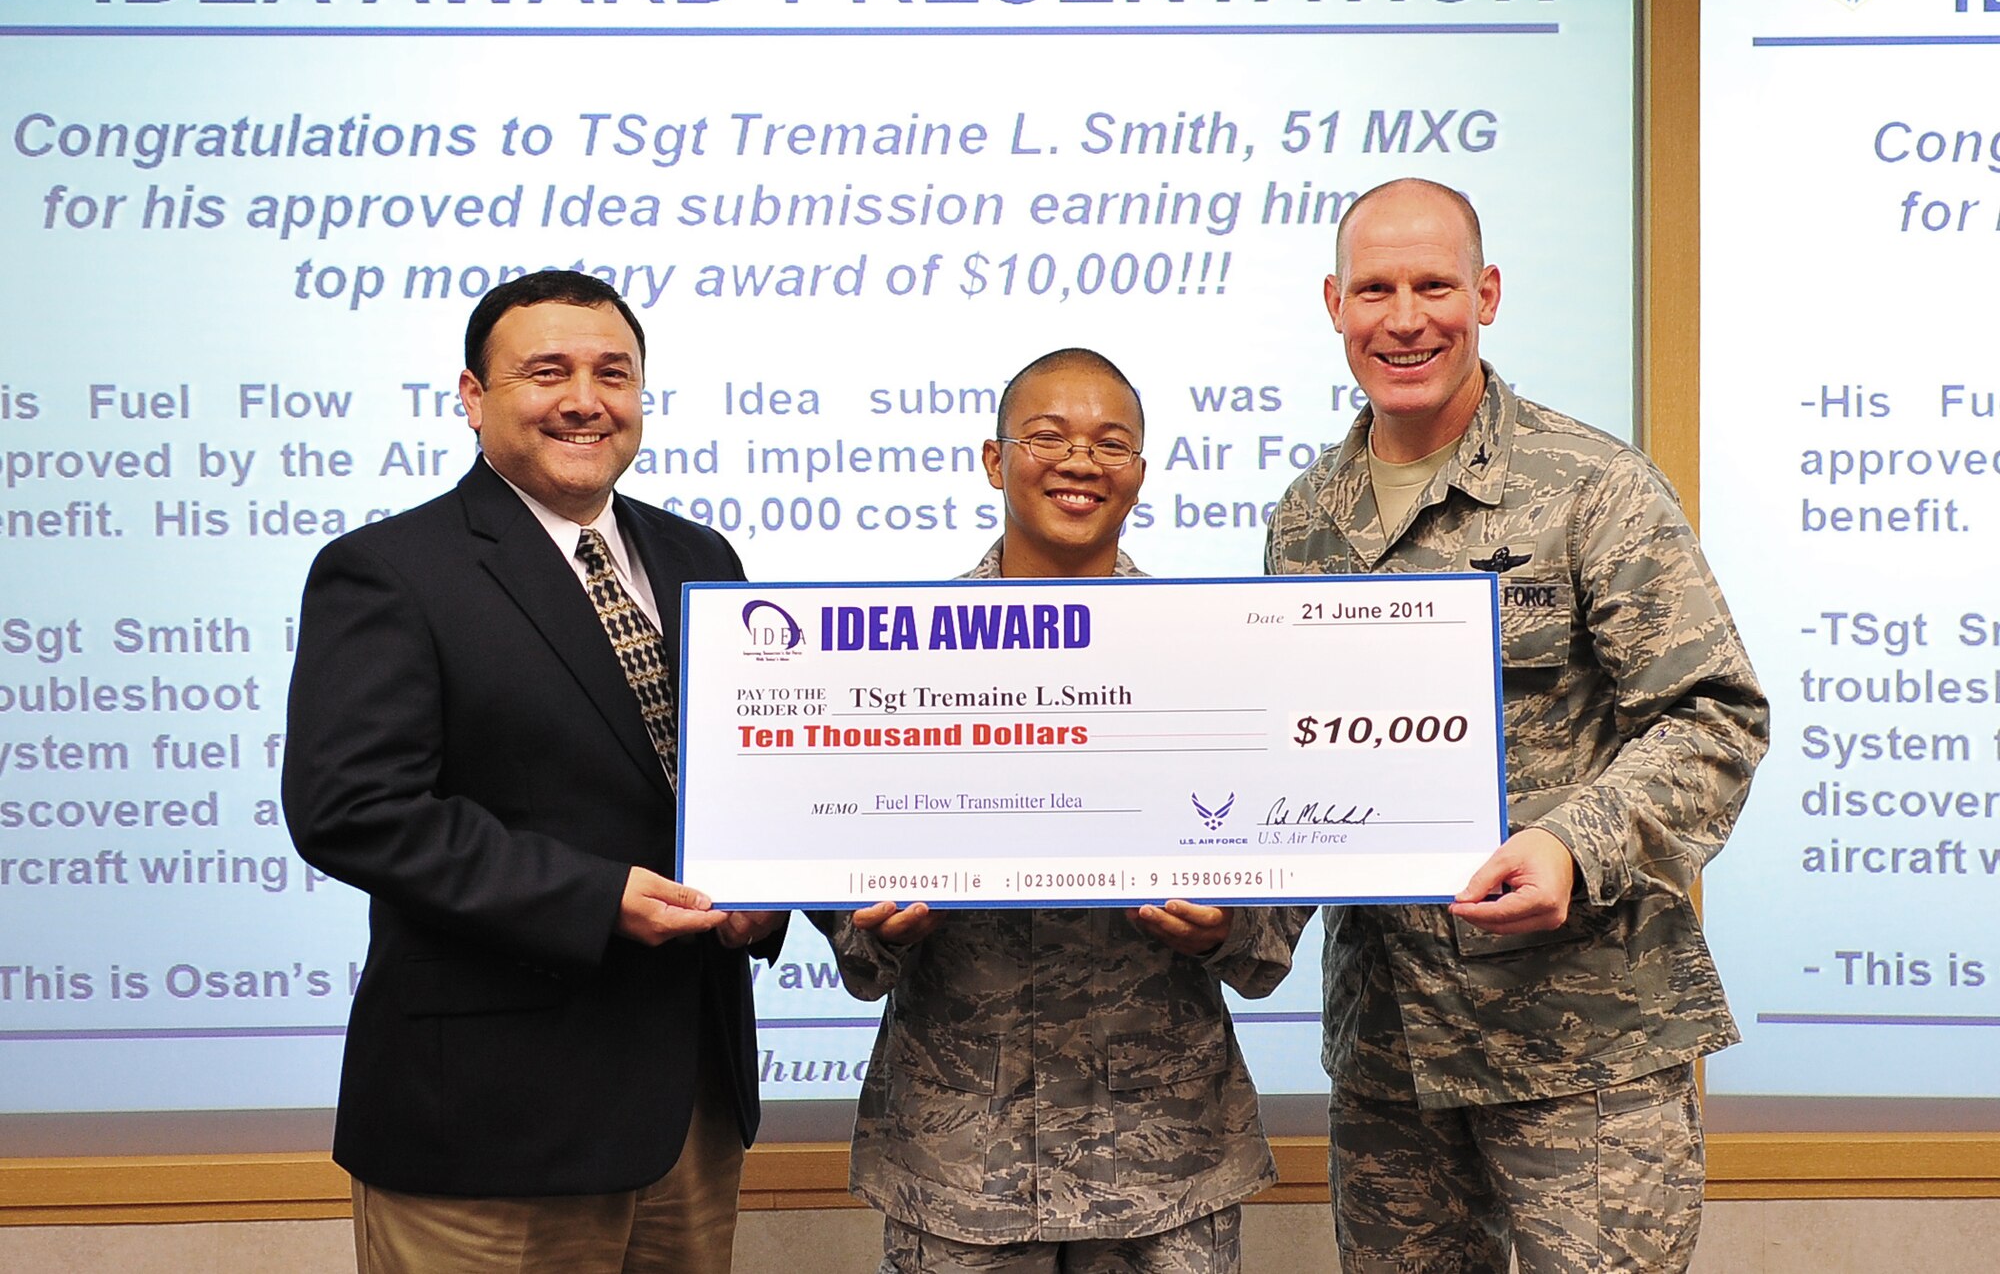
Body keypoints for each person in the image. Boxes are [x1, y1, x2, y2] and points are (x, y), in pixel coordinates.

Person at [1264, 179, 1769, 1274]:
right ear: (1333, 304)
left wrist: (1568, 843)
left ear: (1484, 293)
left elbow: (1712, 718)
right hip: (1389, 1059)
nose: (1404, 318)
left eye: (1434, 285)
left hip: (1580, 1050)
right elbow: (1290, 756)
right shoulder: (1305, 519)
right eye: (1374, 289)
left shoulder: (1591, 487)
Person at [283, 270, 784, 1274]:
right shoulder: (390, 568)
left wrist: (789, 894)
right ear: (472, 397)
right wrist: (598, 897)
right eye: (545, 371)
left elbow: (755, 774)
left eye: (613, 372)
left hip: (688, 1109)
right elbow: (352, 807)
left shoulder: (701, 557)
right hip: (487, 1123)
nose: (583, 398)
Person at [819, 348, 1309, 1274]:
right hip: (960, 1161)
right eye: (1047, 437)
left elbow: (1285, 857)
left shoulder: (1217, 659)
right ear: (994, 461)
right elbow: (835, 870)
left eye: (1109, 442)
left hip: (1166, 1158)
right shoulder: (896, 661)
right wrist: (867, 923)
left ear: (1141, 474)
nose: (1079, 461)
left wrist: (1229, 927)